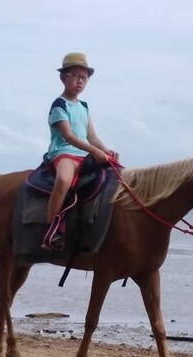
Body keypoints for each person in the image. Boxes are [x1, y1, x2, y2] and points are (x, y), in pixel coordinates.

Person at [42, 52, 119, 251]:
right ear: (63, 78)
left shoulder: (84, 106)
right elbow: (68, 136)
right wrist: (94, 150)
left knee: (116, 174)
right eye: (75, 76)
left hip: (83, 153)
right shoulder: (59, 105)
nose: (80, 81)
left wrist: (105, 150)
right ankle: (51, 231)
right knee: (64, 180)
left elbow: (91, 136)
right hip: (64, 152)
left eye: (84, 78)